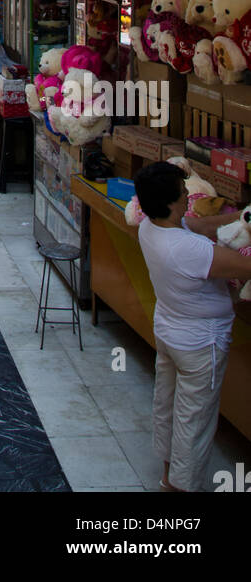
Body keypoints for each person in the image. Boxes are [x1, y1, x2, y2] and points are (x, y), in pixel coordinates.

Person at [134, 161, 251, 492]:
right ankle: (181, 488)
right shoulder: (191, 251)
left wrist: (243, 216)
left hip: (171, 334)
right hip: (201, 345)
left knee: (168, 407)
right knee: (194, 421)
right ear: (171, 202)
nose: (189, 196)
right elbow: (245, 266)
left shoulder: (151, 228)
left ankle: (168, 476)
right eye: (184, 193)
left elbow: (204, 224)